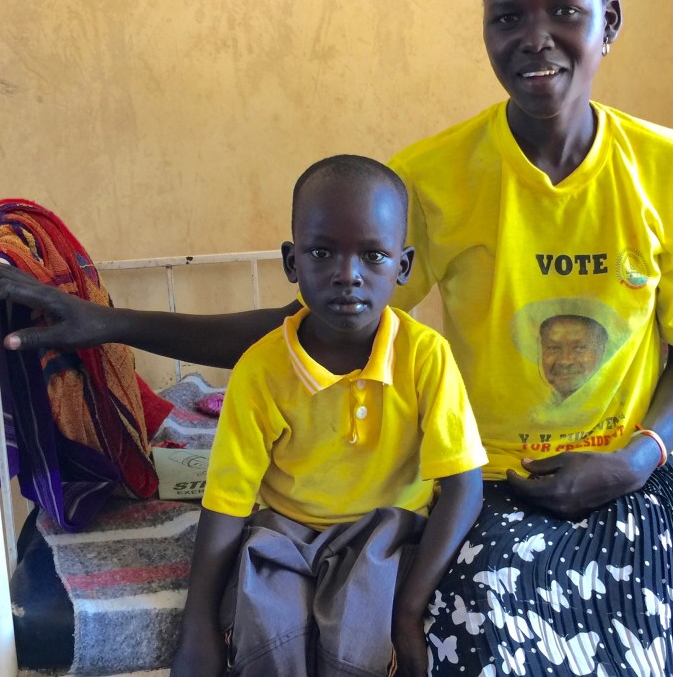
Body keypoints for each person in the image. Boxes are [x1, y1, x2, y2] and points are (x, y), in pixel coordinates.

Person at [0, 0, 673, 675]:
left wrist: (638, 458)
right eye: (508, 16)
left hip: (629, 472)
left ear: (610, 21)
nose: (536, 37)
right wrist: (106, 323)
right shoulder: (431, 178)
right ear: (487, 32)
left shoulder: (670, 171)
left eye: (565, 11)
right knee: (476, 624)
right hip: (485, 478)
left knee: (649, 625)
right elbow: (309, 331)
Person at [173, 154, 486, 677]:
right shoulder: (261, 370)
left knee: (360, 640)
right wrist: (197, 622)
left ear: (403, 267)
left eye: (373, 256)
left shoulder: (425, 356)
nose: (348, 275)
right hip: (283, 531)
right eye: (322, 252)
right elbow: (228, 501)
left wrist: (409, 610)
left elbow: (463, 485)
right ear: (292, 262)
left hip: (386, 529)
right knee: (263, 630)